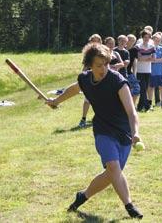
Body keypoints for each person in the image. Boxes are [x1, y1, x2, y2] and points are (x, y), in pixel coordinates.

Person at [46, 43, 143, 219]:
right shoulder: (85, 79)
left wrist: (135, 132)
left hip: (124, 132)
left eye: (106, 64)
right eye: (99, 65)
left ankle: (82, 196)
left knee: (112, 174)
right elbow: (74, 89)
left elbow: (131, 112)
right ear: (89, 65)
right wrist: (56, 101)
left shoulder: (117, 81)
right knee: (113, 167)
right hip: (103, 130)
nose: (103, 68)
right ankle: (129, 206)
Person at [78, 34, 103, 128]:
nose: (95, 42)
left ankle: (100, 118)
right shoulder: (88, 53)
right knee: (87, 100)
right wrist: (82, 78)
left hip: (101, 79)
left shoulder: (103, 51)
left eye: (97, 40)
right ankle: (83, 119)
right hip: (90, 78)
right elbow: (85, 66)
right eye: (93, 41)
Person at [136, 30, 155, 112]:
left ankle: (140, 106)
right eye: (145, 37)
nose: (146, 38)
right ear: (142, 37)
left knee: (145, 88)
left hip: (148, 70)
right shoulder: (138, 46)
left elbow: (153, 58)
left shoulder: (151, 46)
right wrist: (148, 57)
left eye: (148, 37)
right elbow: (139, 58)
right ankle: (147, 105)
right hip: (139, 70)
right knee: (142, 88)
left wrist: (144, 58)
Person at [148, 33, 162, 109]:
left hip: (161, 71)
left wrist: (156, 60)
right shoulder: (150, 48)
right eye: (156, 40)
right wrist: (159, 60)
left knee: (161, 87)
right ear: (152, 40)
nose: (157, 42)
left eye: (159, 40)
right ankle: (150, 104)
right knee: (151, 87)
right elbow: (152, 60)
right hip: (152, 71)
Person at [126, 34, 141, 106]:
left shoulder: (134, 50)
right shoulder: (121, 49)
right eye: (129, 40)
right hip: (120, 73)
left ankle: (132, 106)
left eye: (133, 41)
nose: (131, 42)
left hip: (129, 72)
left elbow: (135, 62)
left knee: (136, 89)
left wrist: (134, 74)